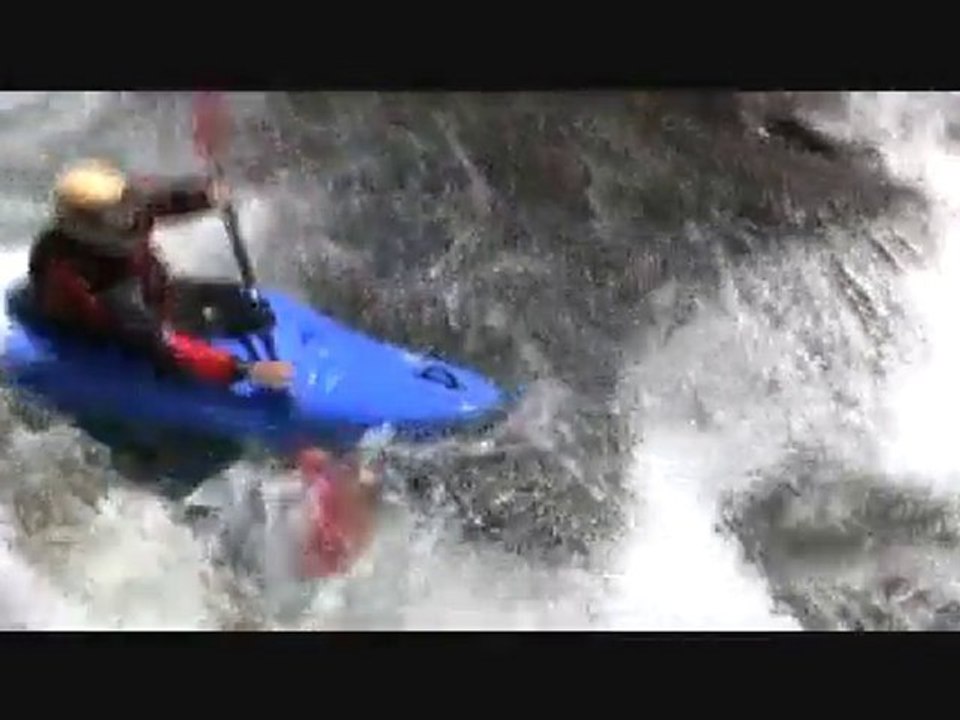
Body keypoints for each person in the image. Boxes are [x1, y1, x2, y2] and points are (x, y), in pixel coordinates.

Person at [27, 158, 293, 389]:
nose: (131, 216)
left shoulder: (120, 213)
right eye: (118, 215)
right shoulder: (94, 283)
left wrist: (207, 195)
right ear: (87, 227)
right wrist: (244, 370)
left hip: (151, 292)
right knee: (159, 351)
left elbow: (159, 200)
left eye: (126, 206)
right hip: (113, 332)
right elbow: (161, 344)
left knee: (230, 295)